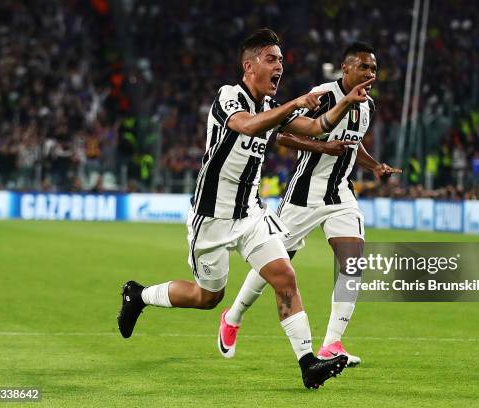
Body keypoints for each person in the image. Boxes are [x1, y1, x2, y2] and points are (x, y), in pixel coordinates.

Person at [117, 29, 374, 389]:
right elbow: (246, 126)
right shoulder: (229, 96)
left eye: (281, 60)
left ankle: (308, 364)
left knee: (285, 277)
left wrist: (346, 101)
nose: (279, 65)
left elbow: (317, 127)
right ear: (249, 65)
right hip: (212, 217)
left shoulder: (272, 108)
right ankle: (139, 295)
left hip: (250, 215)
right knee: (207, 297)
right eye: (272, 59)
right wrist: (296, 102)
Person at [219, 42, 401, 366]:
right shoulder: (323, 96)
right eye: (364, 67)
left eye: (374, 69)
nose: (370, 74)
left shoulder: (367, 106)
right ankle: (232, 317)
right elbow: (282, 135)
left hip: (340, 194)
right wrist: (321, 148)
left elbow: (352, 144)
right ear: (346, 69)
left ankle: (332, 344)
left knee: (353, 262)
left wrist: (374, 166)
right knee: (273, 265)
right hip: (304, 194)